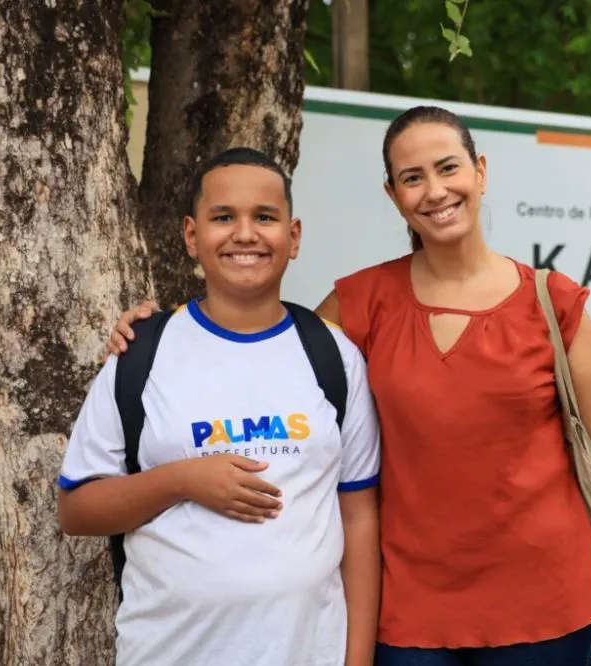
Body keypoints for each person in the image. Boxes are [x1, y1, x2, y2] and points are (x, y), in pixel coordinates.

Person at [108, 108, 591, 666]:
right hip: (408, 612)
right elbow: (258, 343)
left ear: (481, 172)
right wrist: (161, 330)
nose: (435, 191)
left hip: (550, 605)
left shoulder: (552, 301)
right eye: (413, 178)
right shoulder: (364, 301)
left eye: (448, 168)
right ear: (394, 195)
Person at [59, 147, 381, 666]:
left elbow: (359, 518)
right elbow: (76, 509)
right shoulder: (141, 354)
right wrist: (182, 480)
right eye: (224, 217)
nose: (245, 234)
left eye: (265, 217)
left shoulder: (333, 355)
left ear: (294, 236)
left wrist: (358, 661)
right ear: (192, 236)